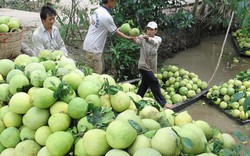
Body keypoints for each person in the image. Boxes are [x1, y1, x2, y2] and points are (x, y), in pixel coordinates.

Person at [83, 0, 135, 74]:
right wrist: (128, 37)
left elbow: (105, 27)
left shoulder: (97, 11)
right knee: (96, 74)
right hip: (94, 48)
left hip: (89, 44)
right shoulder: (107, 16)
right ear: (110, 1)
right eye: (115, 1)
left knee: (89, 72)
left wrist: (118, 29)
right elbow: (115, 32)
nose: (115, 3)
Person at [133, 21, 171, 109]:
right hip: (143, 65)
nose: (150, 31)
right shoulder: (142, 39)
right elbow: (135, 41)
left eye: (152, 30)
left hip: (151, 67)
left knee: (145, 84)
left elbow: (154, 42)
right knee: (154, 81)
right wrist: (132, 36)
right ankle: (163, 103)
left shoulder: (158, 39)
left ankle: (137, 99)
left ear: (155, 31)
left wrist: (147, 38)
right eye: (148, 29)